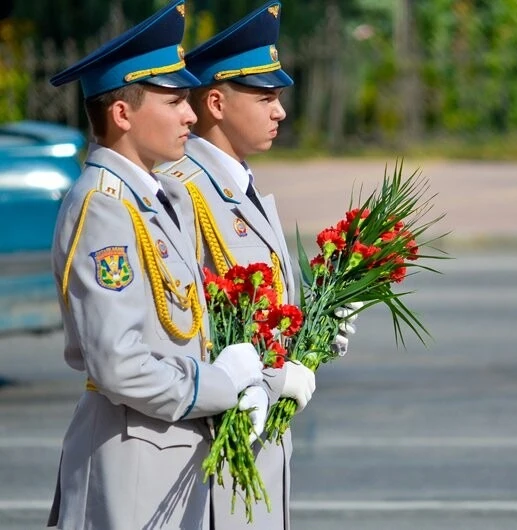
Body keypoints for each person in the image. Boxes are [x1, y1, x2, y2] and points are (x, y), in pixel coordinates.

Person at [46, 1, 267, 528]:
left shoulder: (155, 196)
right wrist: (220, 385)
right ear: (122, 114)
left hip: (169, 451)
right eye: (174, 102)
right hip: (132, 460)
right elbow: (118, 363)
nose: (191, 115)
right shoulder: (103, 206)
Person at [154, 2, 358, 527]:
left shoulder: (239, 187)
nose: (280, 111)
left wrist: (313, 327)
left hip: (257, 442)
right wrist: (270, 382)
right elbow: (185, 325)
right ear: (216, 103)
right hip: (210, 445)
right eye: (266, 97)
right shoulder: (182, 189)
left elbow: (257, 312)